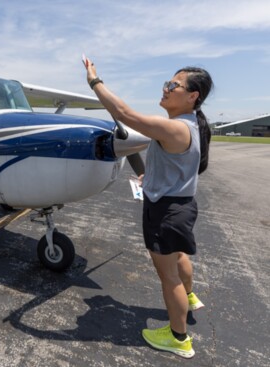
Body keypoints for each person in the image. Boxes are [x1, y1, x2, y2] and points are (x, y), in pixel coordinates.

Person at [82, 56, 213, 359]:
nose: (165, 88)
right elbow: (177, 164)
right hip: (180, 205)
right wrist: (149, 175)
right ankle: (191, 298)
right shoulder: (191, 126)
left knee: (168, 277)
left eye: (173, 85)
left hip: (165, 211)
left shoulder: (177, 128)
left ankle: (178, 337)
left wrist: (93, 80)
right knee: (178, 257)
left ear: (192, 96)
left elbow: (124, 113)